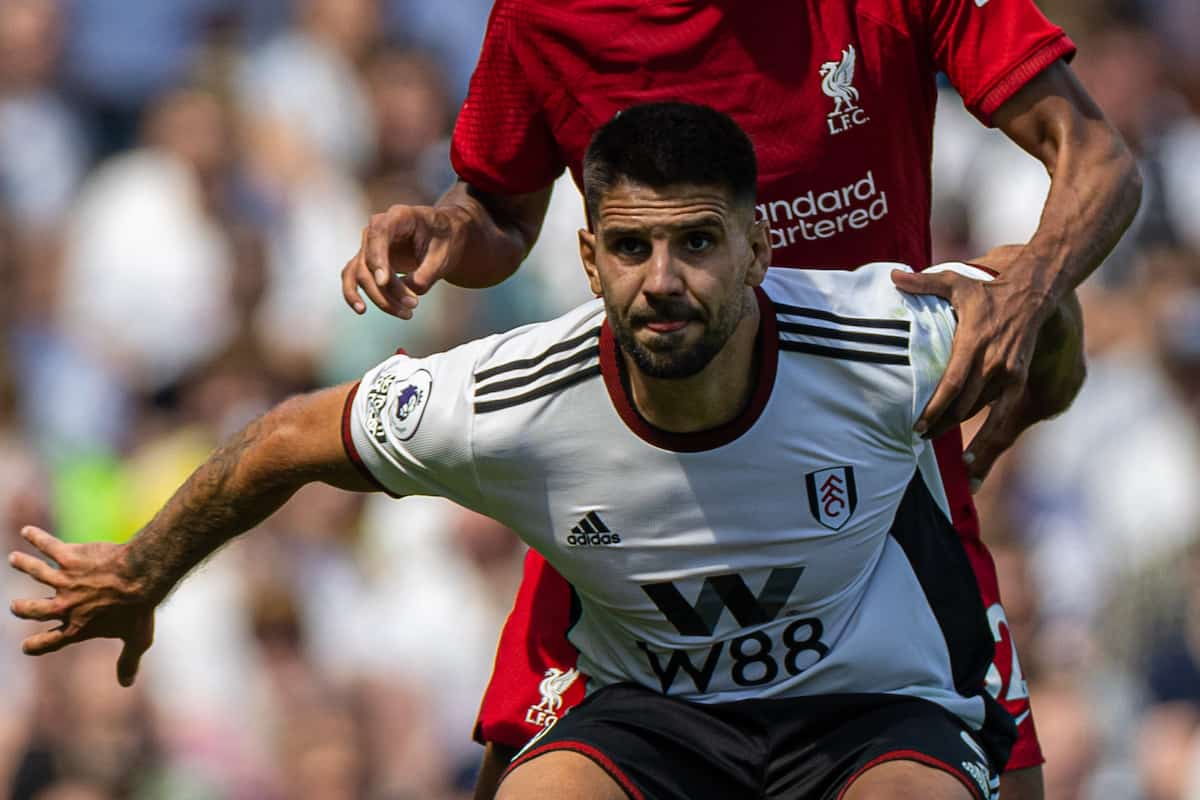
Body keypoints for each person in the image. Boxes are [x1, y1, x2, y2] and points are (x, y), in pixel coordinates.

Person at [10, 103, 1086, 800]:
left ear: (760, 246)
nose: (663, 278)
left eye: (698, 242)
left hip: (873, 710)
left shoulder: (878, 334)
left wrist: (1025, 338)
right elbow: (282, 438)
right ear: (587, 258)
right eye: (631, 246)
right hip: (655, 716)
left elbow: (1051, 340)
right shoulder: (514, 395)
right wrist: (143, 568)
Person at [337, 2, 1140, 798]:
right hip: (633, 472)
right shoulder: (547, 14)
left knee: (994, 781)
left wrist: (1033, 284)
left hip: (877, 475)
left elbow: (1098, 156)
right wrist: (452, 224)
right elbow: (501, 211)